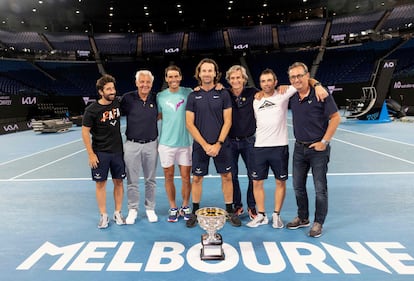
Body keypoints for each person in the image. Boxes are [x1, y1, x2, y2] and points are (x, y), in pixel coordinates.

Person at [247, 68, 327, 229]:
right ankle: (261, 215)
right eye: (263, 81)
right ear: (260, 84)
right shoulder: (256, 99)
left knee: (280, 182)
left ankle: (276, 215)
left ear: (275, 82)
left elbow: (302, 81)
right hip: (260, 147)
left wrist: (317, 84)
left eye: (269, 80)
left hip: (279, 147)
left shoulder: (283, 94)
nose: (266, 84)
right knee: (256, 182)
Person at [286, 62, 341, 238]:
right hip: (299, 148)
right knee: (297, 187)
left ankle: (318, 222)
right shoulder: (293, 95)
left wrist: (324, 142)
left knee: (320, 189)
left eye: (300, 75)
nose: (297, 79)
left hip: (318, 150)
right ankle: (303, 218)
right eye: (293, 77)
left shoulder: (321, 94)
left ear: (307, 75)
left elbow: (335, 118)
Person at [185, 58, 241, 228]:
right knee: (197, 179)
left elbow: (228, 121)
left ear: (215, 73)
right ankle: (195, 211)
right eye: (204, 70)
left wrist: (218, 143)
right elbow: (189, 123)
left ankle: (230, 211)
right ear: (199, 73)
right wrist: (204, 145)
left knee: (227, 177)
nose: (207, 73)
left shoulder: (223, 94)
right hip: (200, 145)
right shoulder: (193, 96)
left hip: (221, 145)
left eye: (210, 70)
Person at [81, 74, 126, 229]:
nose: (112, 91)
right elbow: (85, 132)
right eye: (108, 89)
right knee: (101, 183)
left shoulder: (118, 103)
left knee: (119, 182)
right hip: (100, 153)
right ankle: (103, 215)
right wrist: (90, 154)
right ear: (101, 92)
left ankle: (118, 212)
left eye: (113, 88)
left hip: (118, 152)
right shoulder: (91, 110)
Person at [120, 70, 159, 224]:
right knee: (132, 180)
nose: (145, 84)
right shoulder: (127, 98)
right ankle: (132, 209)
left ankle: (150, 208)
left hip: (151, 144)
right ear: (136, 83)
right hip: (131, 145)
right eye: (141, 82)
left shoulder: (156, 98)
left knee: (151, 180)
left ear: (151, 83)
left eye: (147, 82)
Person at [156, 65, 193, 222]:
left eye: (175, 76)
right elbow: (158, 116)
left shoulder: (188, 92)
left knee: (186, 177)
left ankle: (185, 206)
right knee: (168, 176)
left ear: (180, 77)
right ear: (166, 78)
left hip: (185, 143)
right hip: (166, 144)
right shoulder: (160, 96)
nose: (173, 79)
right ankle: (173, 207)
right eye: (170, 77)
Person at [225, 65, 258, 220]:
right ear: (229, 80)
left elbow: (273, 93)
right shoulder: (224, 94)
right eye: (232, 78)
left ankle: (252, 206)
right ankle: (237, 206)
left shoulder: (254, 93)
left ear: (244, 79)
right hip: (230, 142)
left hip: (249, 141)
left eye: (238, 77)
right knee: (232, 176)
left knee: (253, 175)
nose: (236, 80)